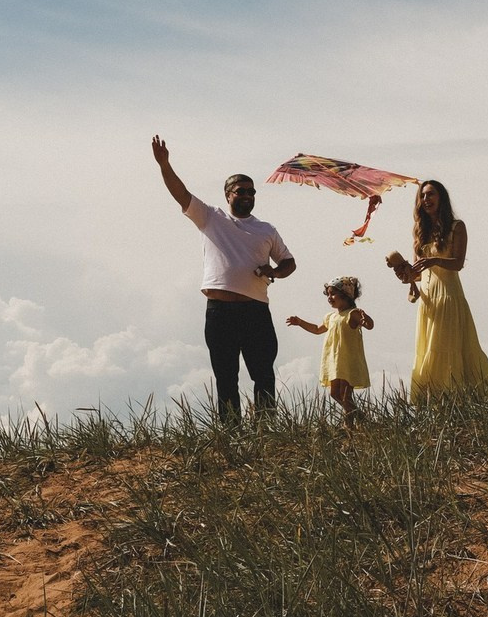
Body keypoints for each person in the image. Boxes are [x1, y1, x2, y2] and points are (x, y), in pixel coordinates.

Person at [151, 135, 296, 420]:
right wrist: (164, 165)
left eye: (252, 192)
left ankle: (267, 429)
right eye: (241, 191)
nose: (247, 196)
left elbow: (289, 262)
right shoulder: (211, 218)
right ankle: (232, 432)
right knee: (226, 375)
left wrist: (274, 271)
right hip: (220, 312)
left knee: (263, 372)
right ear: (228, 194)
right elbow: (181, 193)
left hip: (256, 310)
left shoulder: (266, 229)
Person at [408, 180, 488, 403]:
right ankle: (434, 403)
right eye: (423, 196)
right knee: (429, 349)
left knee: (448, 348)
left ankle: (459, 401)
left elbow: (457, 263)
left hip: (448, 296)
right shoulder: (420, 232)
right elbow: (419, 272)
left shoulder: (457, 227)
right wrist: (407, 275)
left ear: (441, 198)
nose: (426, 200)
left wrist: (434, 260)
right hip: (428, 301)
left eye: (431, 195)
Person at [287, 276, 373, 427]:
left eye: (333, 293)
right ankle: (359, 416)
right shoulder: (331, 317)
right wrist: (299, 322)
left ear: (345, 294)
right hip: (334, 361)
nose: (329, 297)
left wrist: (367, 321)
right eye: (327, 294)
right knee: (335, 393)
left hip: (347, 360)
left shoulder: (352, 313)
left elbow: (368, 325)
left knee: (346, 395)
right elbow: (316, 329)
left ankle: (350, 425)